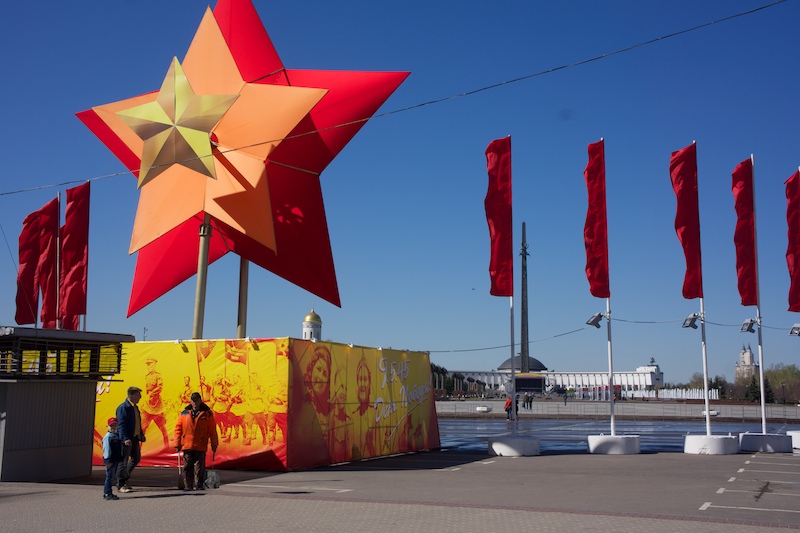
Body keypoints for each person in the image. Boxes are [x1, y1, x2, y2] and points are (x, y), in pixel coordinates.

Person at [172, 392, 219, 491]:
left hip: (200, 444)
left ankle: (199, 485)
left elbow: (212, 430)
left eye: (196, 400)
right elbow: (178, 429)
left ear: (200, 400)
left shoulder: (207, 414)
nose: (195, 403)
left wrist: (214, 444)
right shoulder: (184, 413)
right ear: (190, 401)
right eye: (193, 401)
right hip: (187, 444)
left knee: (199, 467)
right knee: (187, 467)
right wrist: (177, 444)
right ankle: (188, 485)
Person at [116, 386, 145, 493]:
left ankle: (125, 478)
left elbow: (137, 422)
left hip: (135, 438)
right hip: (127, 439)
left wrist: (140, 434)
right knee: (123, 462)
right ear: (132, 395)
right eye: (138, 395)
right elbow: (121, 425)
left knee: (136, 458)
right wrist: (125, 438)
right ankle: (120, 484)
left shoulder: (135, 407)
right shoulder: (123, 408)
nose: (140, 397)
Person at [101, 417, 122, 501]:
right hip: (110, 460)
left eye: (115, 425)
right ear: (108, 426)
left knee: (112, 476)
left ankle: (109, 492)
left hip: (115, 459)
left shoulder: (116, 435)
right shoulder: (108, 437)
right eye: (111, 425)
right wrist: (108, 461)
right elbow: (106, 449)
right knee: (109, 477)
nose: (113, 427)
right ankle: (107, 493)